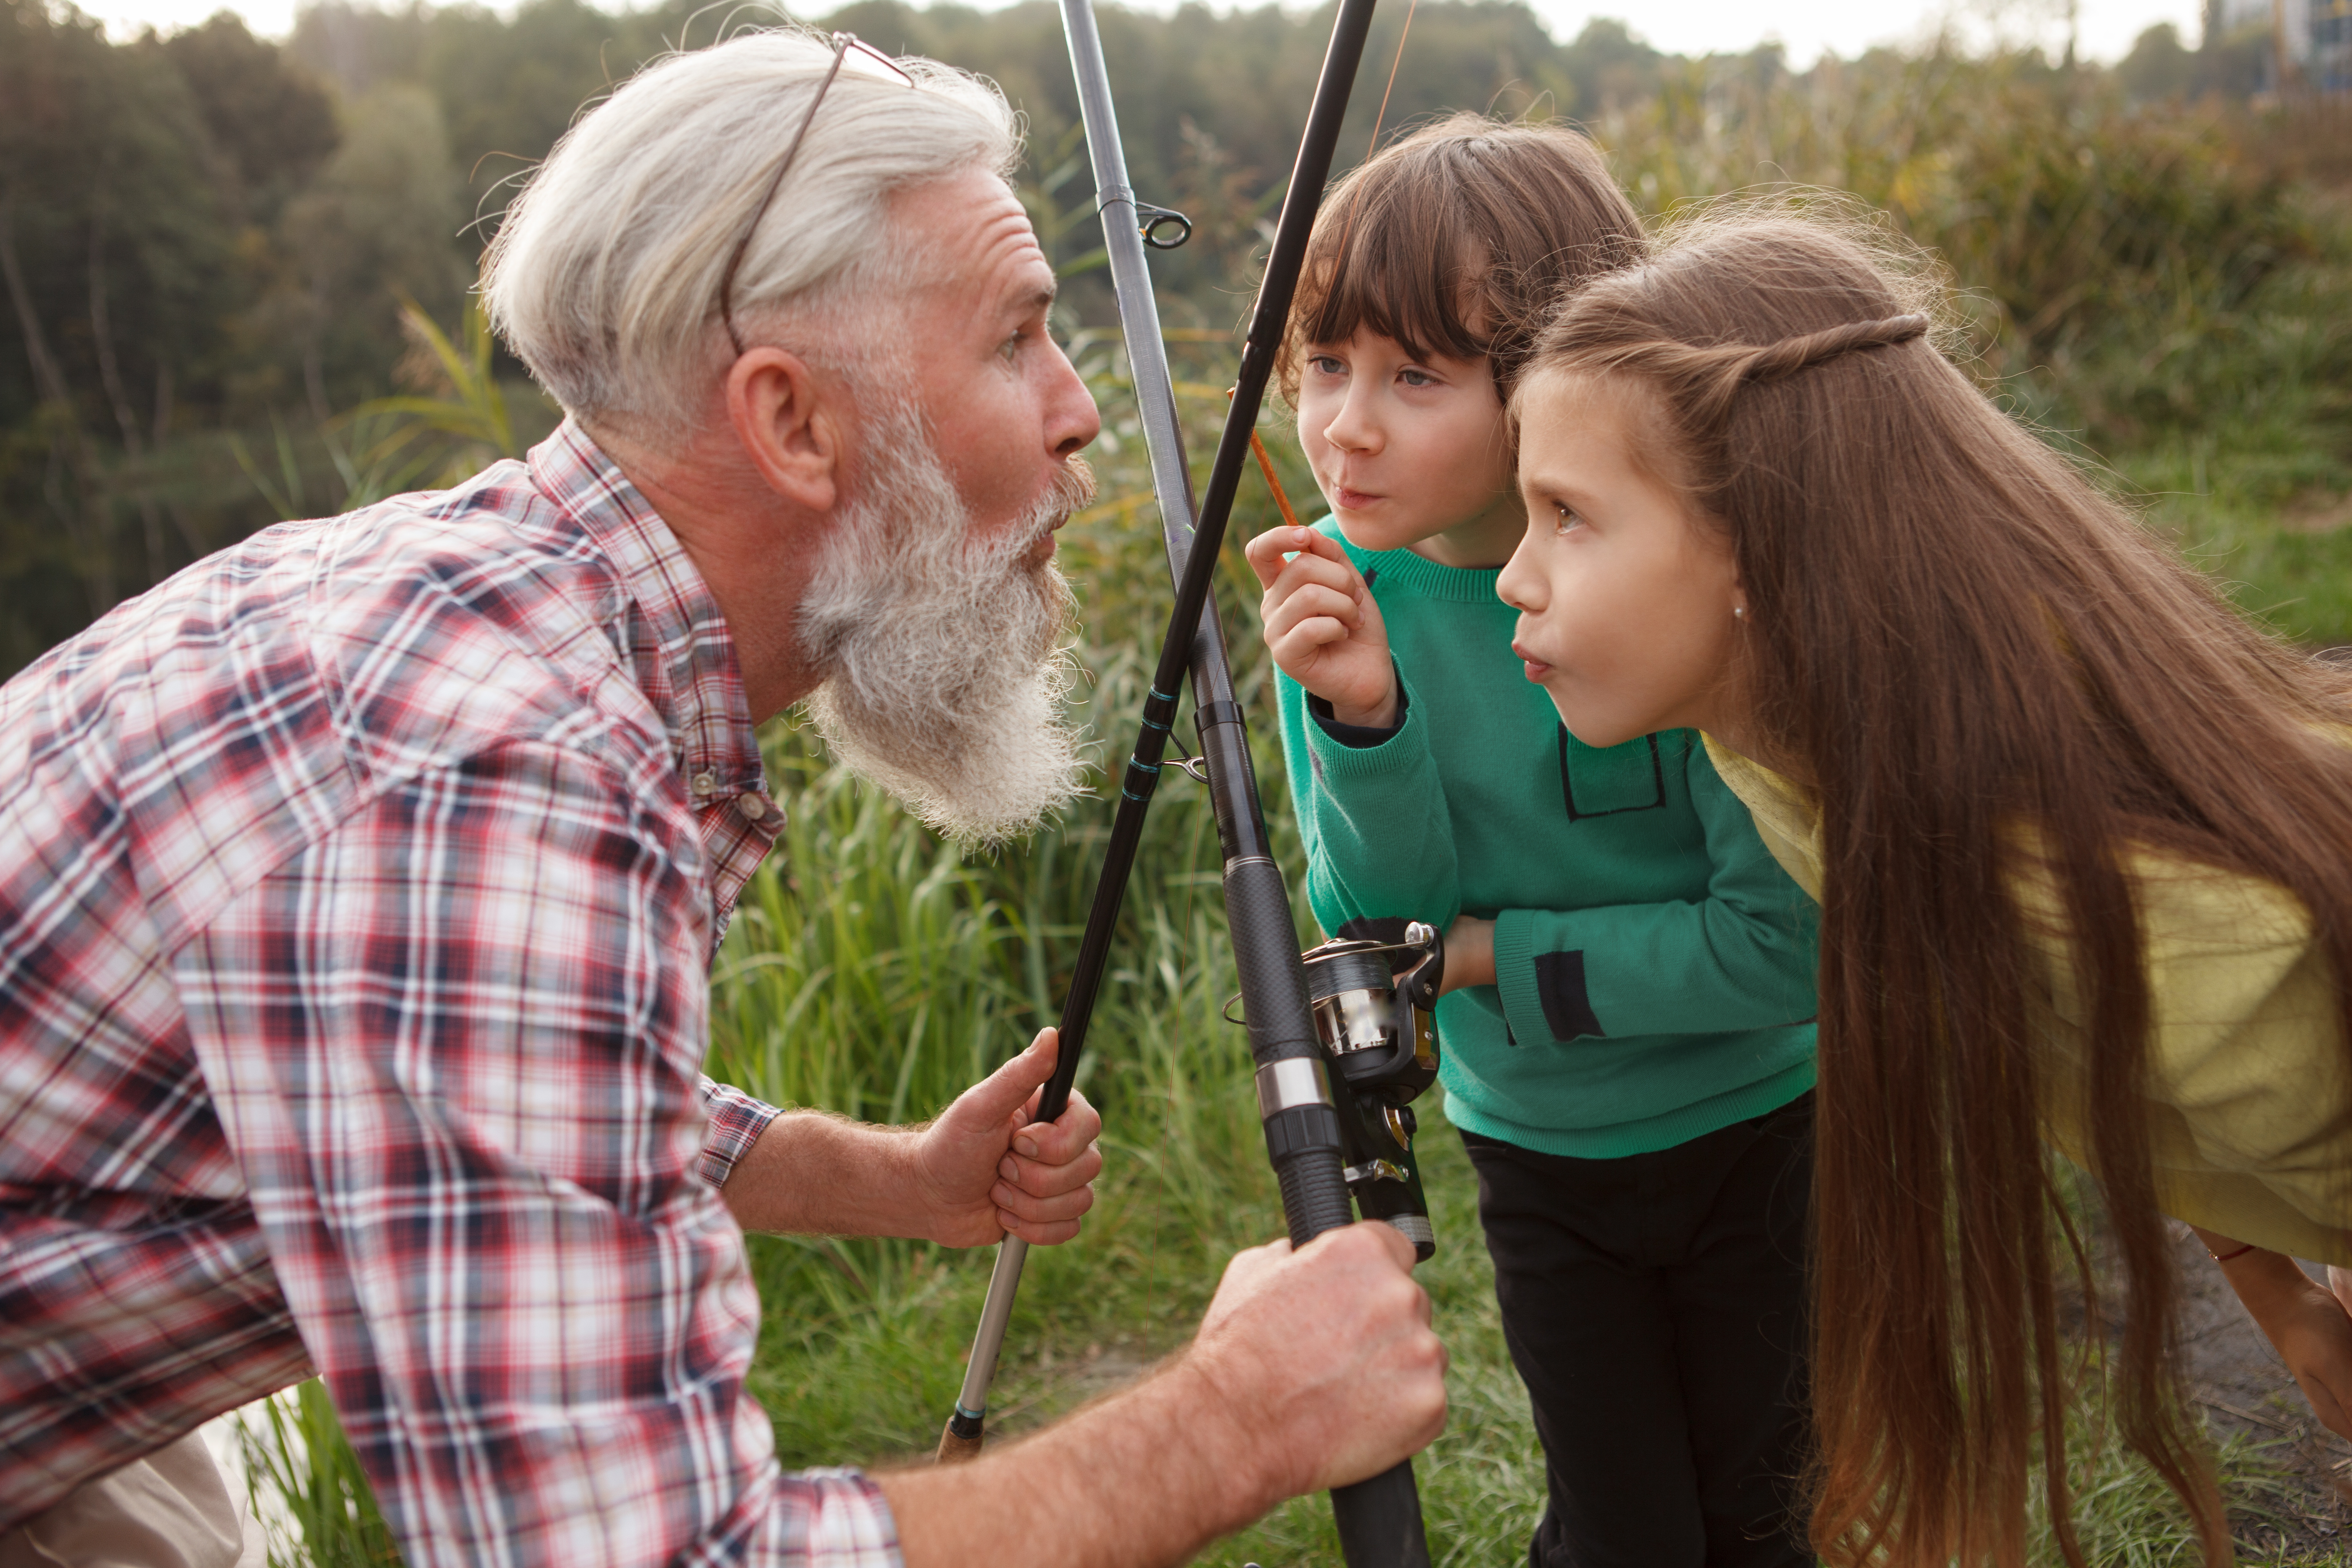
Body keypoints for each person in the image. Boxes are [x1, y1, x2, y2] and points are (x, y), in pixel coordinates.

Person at [0, 30, 1447, 1568]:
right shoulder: (491, 775)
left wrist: (893, 1182)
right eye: (1018, 339)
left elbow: (510, 1081)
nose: (1080, 408)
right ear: (793, 424)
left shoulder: (500, 615)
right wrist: (1239, 1418)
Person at [1495, 204, 2352, 1568]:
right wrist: (2277, 1290)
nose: (1513, 576)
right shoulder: (1783, 745)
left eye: (1567, 518)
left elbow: (2168, 1020)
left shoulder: (2168, 930)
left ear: (1761, 558)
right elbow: (2128, 1071)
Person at [1241, 117, 1822, 1568]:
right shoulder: (1337, 594)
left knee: (1770, 1507)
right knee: (1622, 1524)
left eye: (1415, 377)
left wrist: (1503, 956)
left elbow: (1786, 949)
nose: (1346, 426)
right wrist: (1363, 716)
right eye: (1325, 365)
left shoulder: (1676, 577)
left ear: (1564, 378)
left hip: (1763, 1128)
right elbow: (1393, 927)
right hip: (1536, 1148)